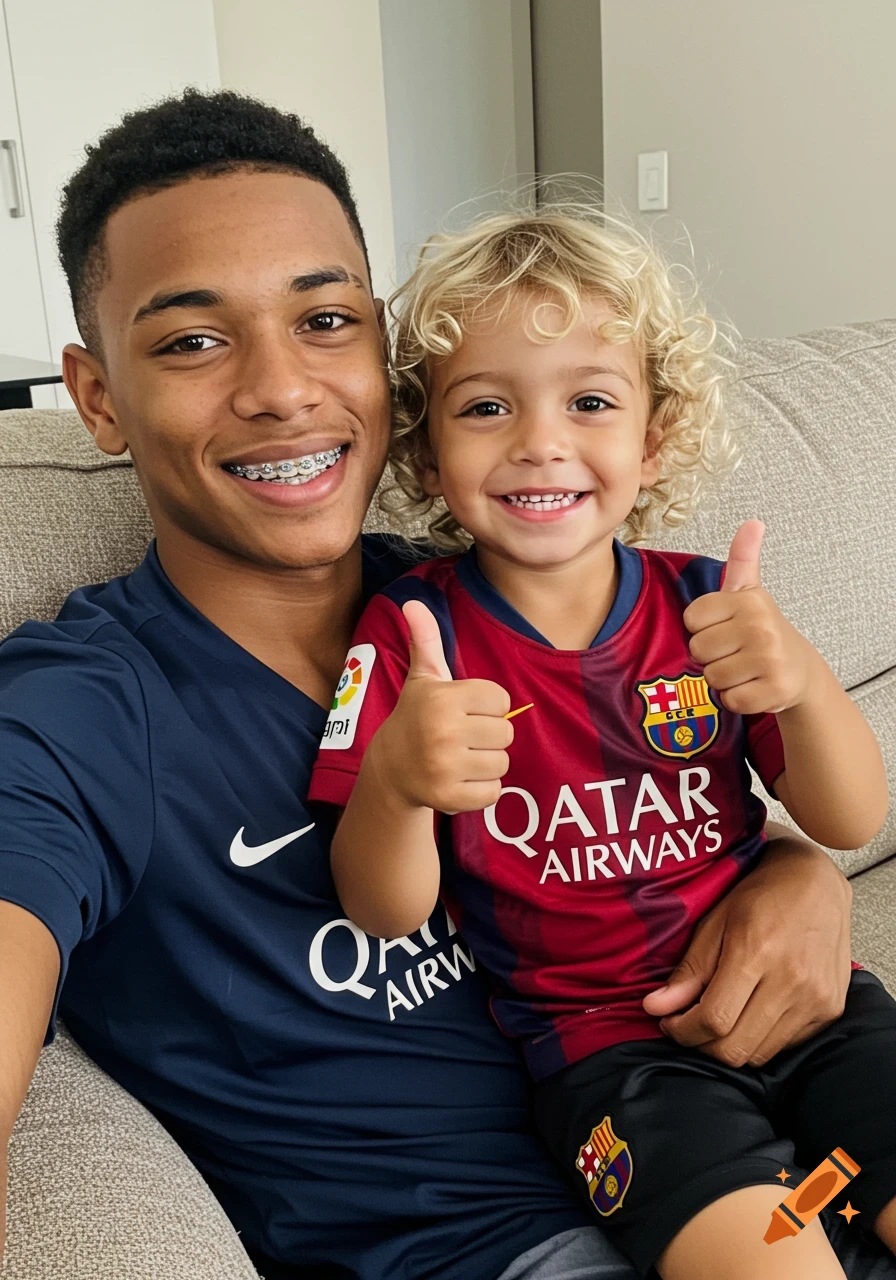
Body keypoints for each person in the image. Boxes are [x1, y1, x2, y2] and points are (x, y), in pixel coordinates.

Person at [0, 89, 889, 1280]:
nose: (279, 387)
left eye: (323, 319)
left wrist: (794, 874)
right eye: (192, 340)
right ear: (98, 394)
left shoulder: (492, 589)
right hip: (524, 1237)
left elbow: (696, 791)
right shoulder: (76, 709)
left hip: (787, 1135)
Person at [314, 206, 896, 1280]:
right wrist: (396, 782)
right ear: (427, 450)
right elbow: (380, 905)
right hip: (613, 1064)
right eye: (485, 406)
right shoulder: (411, 633)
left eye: (588, 401)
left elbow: (851, 818)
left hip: (811, 1007)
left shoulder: (710, 602)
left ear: (653, 434)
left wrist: (802, 682)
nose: (539, 440)